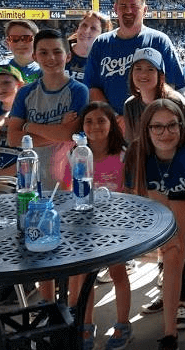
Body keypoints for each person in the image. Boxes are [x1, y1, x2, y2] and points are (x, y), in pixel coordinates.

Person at [124, 99, 185, 350]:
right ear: (147, 129)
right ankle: (169, 311)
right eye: (157, 127)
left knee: (174, 251)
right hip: (154, 197)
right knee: (167, 249)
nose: (165, 133)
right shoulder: (137, 153)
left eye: (172, 125)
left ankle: (170, 331)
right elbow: (132, 195)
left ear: (182, 126)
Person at [121, 47, 185, 325]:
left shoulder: (175, 101)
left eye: (149, 69)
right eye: (138, 69)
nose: (143, 74)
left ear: (160, 74)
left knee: (181, 242)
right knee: (165, 243)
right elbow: (134, 147)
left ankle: (181, 302)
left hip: (180, 178)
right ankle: (168, 294)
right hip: (151, 180)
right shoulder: (130, 105)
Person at [66, 102, 129, 350]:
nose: (95, 126)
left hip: (117, 224)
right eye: (88, 121)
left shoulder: (123, 153)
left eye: (101, 121)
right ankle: (85, 324)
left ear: (112, 124)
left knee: (117, 273)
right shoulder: (76, 153)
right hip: (86, 223)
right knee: (83, 276)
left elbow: (132, 190)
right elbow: (72, 188)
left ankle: (123, 323)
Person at [84, 0, 185, 131]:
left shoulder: (159, 40)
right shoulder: (101, 43)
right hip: (113, 126)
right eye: (123, 5)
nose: (128, 10)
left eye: (134, 6)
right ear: (115, 8)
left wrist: (143, 118)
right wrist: (114, 118)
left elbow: (173, 86)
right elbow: (93, 87)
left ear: (144, 10)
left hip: (152, 125)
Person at [7, 29, 88, 194]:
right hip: (31, 181)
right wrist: (58, 130)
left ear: (68, 56)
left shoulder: (79, 91)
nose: (51, 58)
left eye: (57, 52)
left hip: (68, 181)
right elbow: (13, 138)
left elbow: (69, 135)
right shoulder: (25, 93)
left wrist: (29, 127)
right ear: (35, 57)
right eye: (43, 52)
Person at [0, 19, 41, 138]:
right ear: (7, 43)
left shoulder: (45, 71)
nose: (21, 43)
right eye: (14, 39)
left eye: (26, 38)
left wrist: (6, 118)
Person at [66, 10, 112, 83]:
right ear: (78, 27)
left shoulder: (105, 62)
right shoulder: (61, 51)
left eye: (93, 28)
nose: (86, 30)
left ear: (102, 35)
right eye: (84, 25)